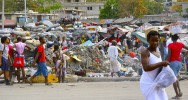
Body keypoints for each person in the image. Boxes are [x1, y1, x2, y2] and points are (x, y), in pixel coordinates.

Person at [140, 31, 169, 100]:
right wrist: (161, 63)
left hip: (158, 82)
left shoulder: (158, 51)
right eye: (152, 41)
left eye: (157, 40)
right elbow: (146, 68)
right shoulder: (145, 52)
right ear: (148, 41)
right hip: (148, 83)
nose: (155, 43)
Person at [167, 34, 188, 99]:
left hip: (172, 63)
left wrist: (167, 62)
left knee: (174, 79)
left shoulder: (170, 45)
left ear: (172, 39)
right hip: (179, 62)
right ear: (177, 39)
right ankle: (179, 91)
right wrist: (183, 56)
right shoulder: (180, 44)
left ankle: (177, 94)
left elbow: (169, 55)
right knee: (175, 78)